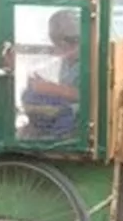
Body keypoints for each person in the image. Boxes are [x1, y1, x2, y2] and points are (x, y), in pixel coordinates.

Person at [20, 9, 82, 139]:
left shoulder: (92, 61)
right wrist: (42, 85)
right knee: (29, 95)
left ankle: (52, 138)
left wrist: (51, 88)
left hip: (78, 120)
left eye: (71, 44)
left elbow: (89, 97)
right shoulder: (68, 61)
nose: (64, 50)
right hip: (65, 107)